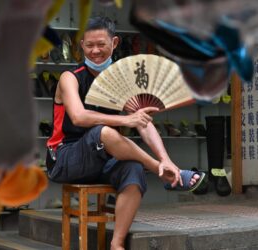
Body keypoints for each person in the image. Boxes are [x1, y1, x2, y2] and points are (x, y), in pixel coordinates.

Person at [46, 16, 203, 250]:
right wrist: (125, 119)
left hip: (102, 160)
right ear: (81, 45)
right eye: (89, 45)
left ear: (115, 42)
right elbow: (79, 116)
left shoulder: (123, 80)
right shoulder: (71, 78)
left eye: (101, 44)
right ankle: (166, 174)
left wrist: (166, 159)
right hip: (65, 158)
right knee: (104, 133)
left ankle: (117, 244)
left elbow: (143, 123)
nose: (95, 51)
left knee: (133, 169)